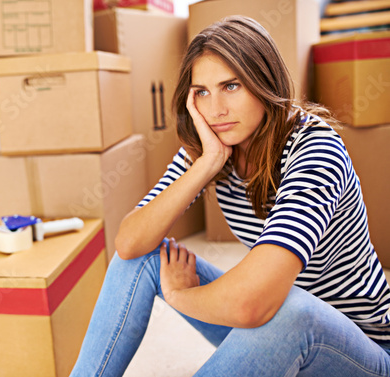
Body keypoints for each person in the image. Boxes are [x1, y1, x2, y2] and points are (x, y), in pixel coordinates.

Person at [70, 16, 390, 376]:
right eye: (202, 92)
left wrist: (180, 297)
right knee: (144, 258)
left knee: (290, 310)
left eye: (231, 86)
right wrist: (206, 164)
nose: (216, 109)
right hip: (274, 330)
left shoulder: (315, 150)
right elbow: (129, 243)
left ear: (263, 80)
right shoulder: (214, 146)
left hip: (361, 350)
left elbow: (254, 306)